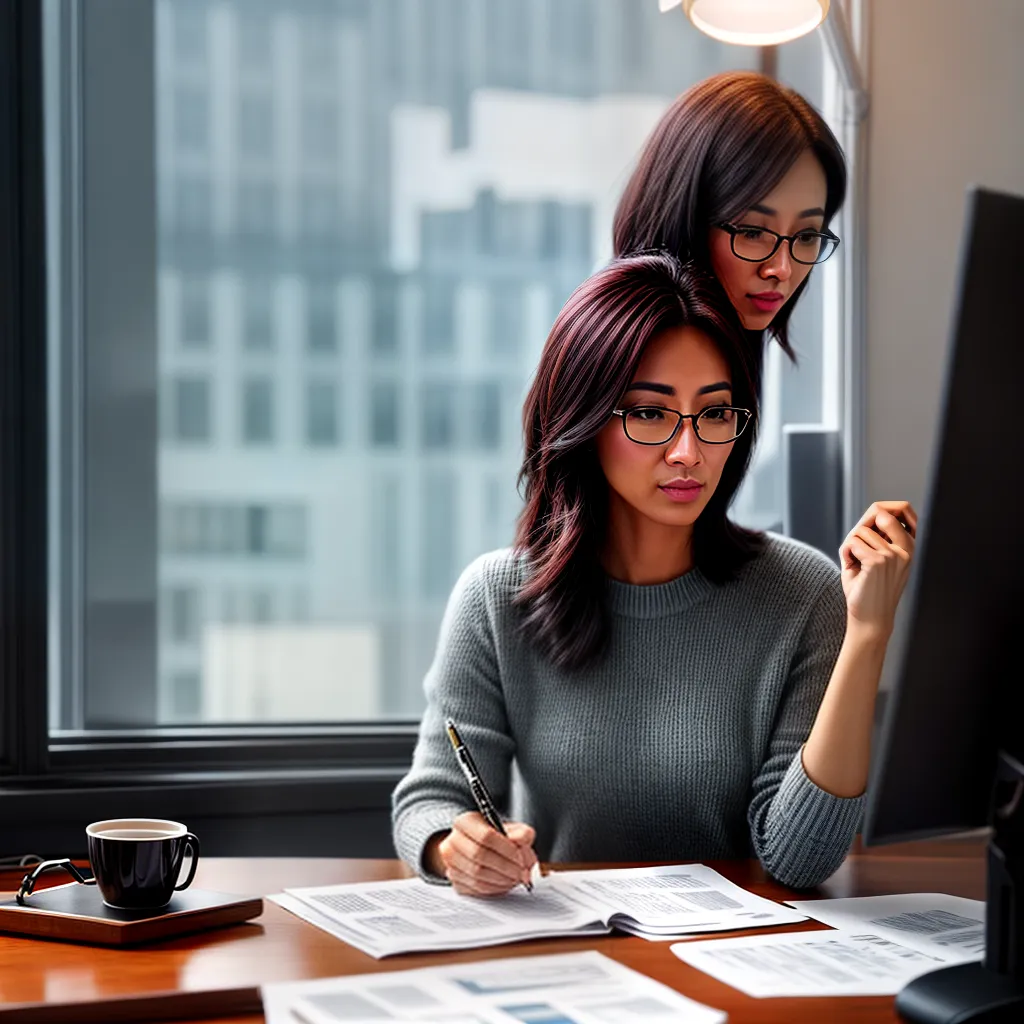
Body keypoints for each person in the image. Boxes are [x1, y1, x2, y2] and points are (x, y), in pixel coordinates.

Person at [391, 253, 915, 894]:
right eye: (649, 413)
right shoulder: (498, 596)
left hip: (740, 961)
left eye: (716, 414)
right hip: (567, 955)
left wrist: (868, 634)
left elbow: (800, 862)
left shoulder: (802, 594)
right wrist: (457, 848)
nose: (689, 451)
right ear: (582, 420)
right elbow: (430, 800)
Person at [613, 70, 845, 362]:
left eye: (807, 236)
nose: (782, 269)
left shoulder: (725, 357)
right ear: (686, 219)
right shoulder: (651, 370)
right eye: (751, 232)